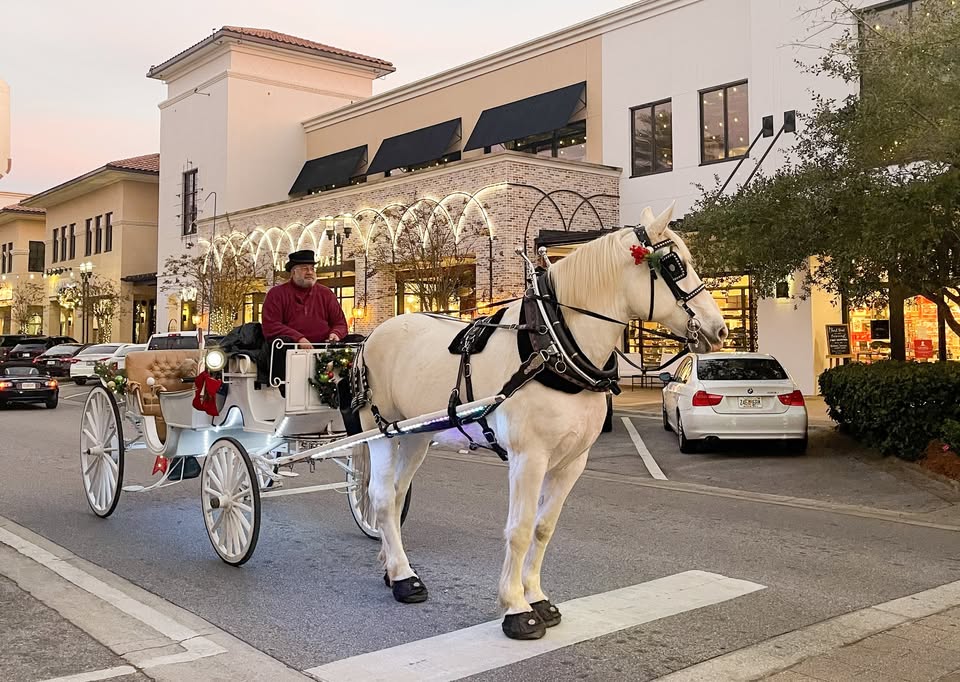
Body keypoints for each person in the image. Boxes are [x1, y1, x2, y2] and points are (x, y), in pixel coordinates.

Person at [260, 250, 348, 386]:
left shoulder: (326, 294)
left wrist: (335, 334)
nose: (310, 272)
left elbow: (340, 323)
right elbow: (271, 325)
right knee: (281, 342)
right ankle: (281, 388)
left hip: (325, 348)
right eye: (305, 268)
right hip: (291, 349)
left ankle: (349, 390)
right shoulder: (276, 294)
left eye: (312, 268)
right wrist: (298, 338)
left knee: (358, 341)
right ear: (293, 272)